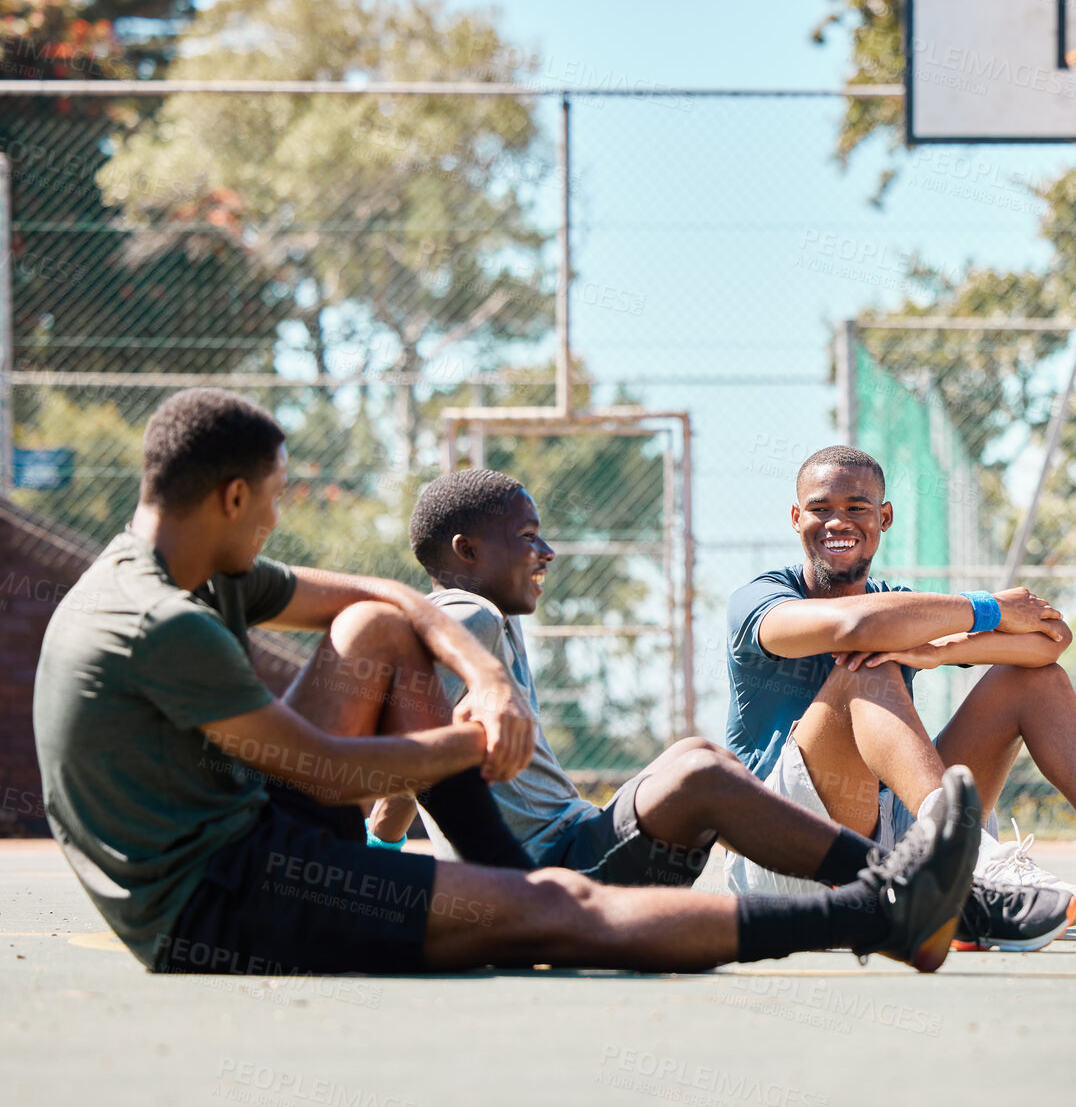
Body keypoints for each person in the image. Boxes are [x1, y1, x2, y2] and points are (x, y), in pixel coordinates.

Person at [31, 389, 982, 976]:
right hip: (225, 901)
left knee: (374, 624)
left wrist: (483, 676)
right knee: (556, 913)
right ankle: (877, 911)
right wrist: (471, 739)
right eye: (275, 501)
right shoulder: (161, 626)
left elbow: (378, 595)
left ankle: (896, 904)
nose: (278, 523)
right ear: (233, 496)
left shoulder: (192, 569)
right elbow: (325, 759)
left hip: (267, 843)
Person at [364, 469, 1072, 951]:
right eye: (527, 538)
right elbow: (419, 631)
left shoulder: (493, 618)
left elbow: (411, 745)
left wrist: (380, 853)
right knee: (700, 770)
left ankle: (921, 886)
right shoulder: (466, 614)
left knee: (693, 758)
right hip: (556, 877)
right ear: (466, 551)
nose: (546, 551)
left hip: (579, 844)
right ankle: (945, 896)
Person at [724, 445, 1076, 938]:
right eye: (820, 508)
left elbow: (1050, 641)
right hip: (788, 857)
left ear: (884, 517)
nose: (838, 522)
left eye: (856, 508)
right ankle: (970, 858)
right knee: (865, 668)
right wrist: (988, 609)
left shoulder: (899, 610)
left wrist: (936, 651)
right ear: (795, 517)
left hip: (895, 845)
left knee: (1032, 680)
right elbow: (853, 627)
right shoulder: (760, 602)